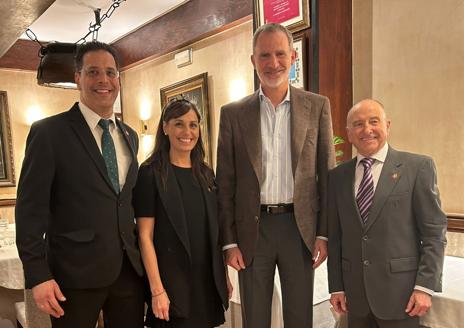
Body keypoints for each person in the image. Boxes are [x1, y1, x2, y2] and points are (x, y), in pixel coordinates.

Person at [15, 41, 144, 327]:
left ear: (119, 80)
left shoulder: (130, 135)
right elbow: (29, 211)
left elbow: (125, 201)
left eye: (111, 73)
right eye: (93, 72)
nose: (104, 80)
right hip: (73, 276)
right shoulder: (49, 133)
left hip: (128, 273)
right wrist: (38, 275)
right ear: (77, 78)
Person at [216, 23, 335, 328]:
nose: (273, 63)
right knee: (255, 318)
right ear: (253, 60)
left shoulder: (318, 107)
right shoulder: (232, 114)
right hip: (252, 231)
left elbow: (327, 175)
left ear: (293, 56)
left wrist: (323, 233)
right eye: (264, 55)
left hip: (300, 229)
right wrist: (229, 242)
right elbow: (225, 182)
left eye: (280, 53)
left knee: (300, 318)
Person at [327, 99, 447, 328]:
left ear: (387, 126)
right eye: (358, 124)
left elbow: (434, 233)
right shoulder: (338, 177)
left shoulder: (417, 167)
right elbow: (336, 238)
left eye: (374, 121)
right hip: (355, 298)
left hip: (402, 296)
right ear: (349, 133)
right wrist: (337, 286)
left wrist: (424, 287)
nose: (367, 129)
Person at [133, 98, 231, 328]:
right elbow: (145, 237)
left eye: (193, 124)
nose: (187, 131)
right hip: (171, 285)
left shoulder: (206, 173)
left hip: (206, 284)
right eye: (179, 124)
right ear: (165, 127)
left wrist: (222, 276)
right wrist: (157, 291)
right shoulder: (150, 174)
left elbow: (213, 234)